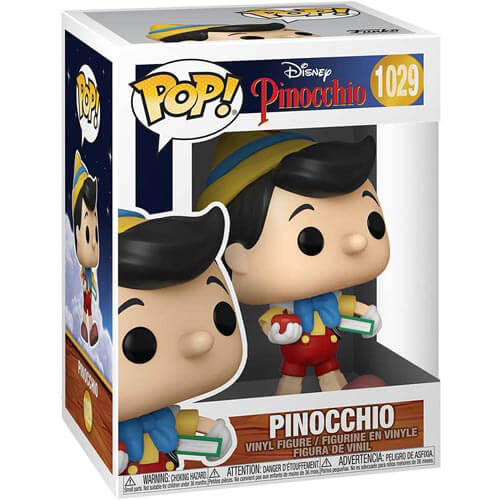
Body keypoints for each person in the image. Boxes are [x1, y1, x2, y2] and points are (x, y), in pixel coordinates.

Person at [197, 131, 390, 395]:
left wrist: (368, 314)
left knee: (333, 379)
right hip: (293, 358)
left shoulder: (331, 299)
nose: (357, 242)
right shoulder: (285, 307)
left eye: (372, 224)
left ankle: (335, 405)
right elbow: (268, 321)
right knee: (290, 385)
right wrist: (278, 331)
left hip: (328, 356)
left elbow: (347, 306)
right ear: (237, 257)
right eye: (310, 240)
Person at [117, 206, 245, 474]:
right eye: (140, 344)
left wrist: (215, 431)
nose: (201, 341)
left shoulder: (166, 418)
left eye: (221, 318)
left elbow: (191, 423)